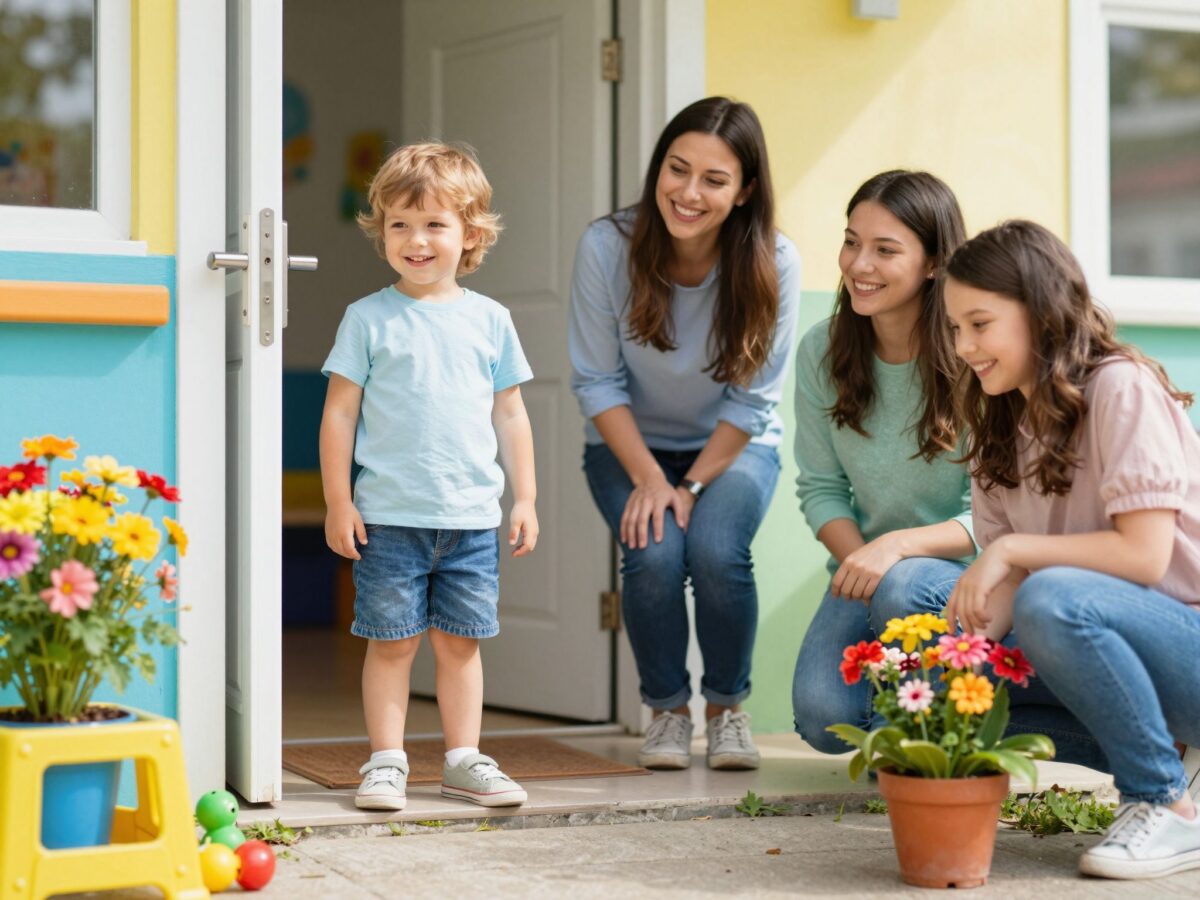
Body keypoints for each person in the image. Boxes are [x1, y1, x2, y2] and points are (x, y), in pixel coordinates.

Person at [942, 220, 1200, 880]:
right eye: (954, 328)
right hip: (1130, 656)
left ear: (1039, 311)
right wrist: (952, 656)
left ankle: (1164, 804)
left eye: (980, 324)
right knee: (965, 689)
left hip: (1184, 640)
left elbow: (1144, 558)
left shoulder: (1120, 387)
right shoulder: (1000, 426)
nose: (964, 346)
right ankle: (1173, 761)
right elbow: (1003, 604)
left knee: (1051, 596)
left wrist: (1012, 553)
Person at [568, 97, 800, 770]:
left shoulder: (775, 262)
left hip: (734, 446)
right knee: (654, 552)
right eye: (677, 169)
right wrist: (650, 479)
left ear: (745, 190)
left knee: (718, 550)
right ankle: (667, 712)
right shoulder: (606, 246)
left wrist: (691, 483)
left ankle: (727, 710)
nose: (689, 193)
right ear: (658, 168)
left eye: (714, 180)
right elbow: (596, 383)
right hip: (628, 442)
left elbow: (752, 399)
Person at [320, 142, 538, 811]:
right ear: (381, 230)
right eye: (400, 225)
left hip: (470, 520)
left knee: (461, 645)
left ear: (469, 235)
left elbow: (511, 414)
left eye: (434, 225)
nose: (416, 241)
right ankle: (386, 762)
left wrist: (525, 496)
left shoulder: (490, 321)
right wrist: (337, 502)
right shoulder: (367, 318)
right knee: (392, 646)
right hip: (389, 517)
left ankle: (463, 758)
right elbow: (339, 412)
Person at [789, 170, 976, 753]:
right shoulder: (822, 350)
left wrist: (894, 550)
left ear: (933, 263)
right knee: (823, 720)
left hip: (960, 575)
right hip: (874, 568)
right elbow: (820, 489)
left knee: (905, 582)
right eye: (851, 242)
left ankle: (919, 742)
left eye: (885, 250)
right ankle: (912, 731)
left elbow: (992, 517)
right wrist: (865, 565)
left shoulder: (975, 354)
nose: (858, 264)